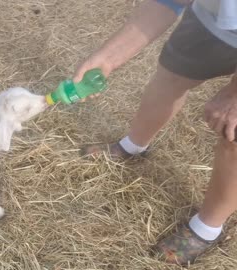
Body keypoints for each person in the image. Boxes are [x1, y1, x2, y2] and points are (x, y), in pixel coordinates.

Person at [74, 0, 237, 266]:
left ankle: (207, 229)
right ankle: (132, 146)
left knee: (233, 130)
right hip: (211, 23)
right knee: (169, 79)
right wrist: (108, 58)